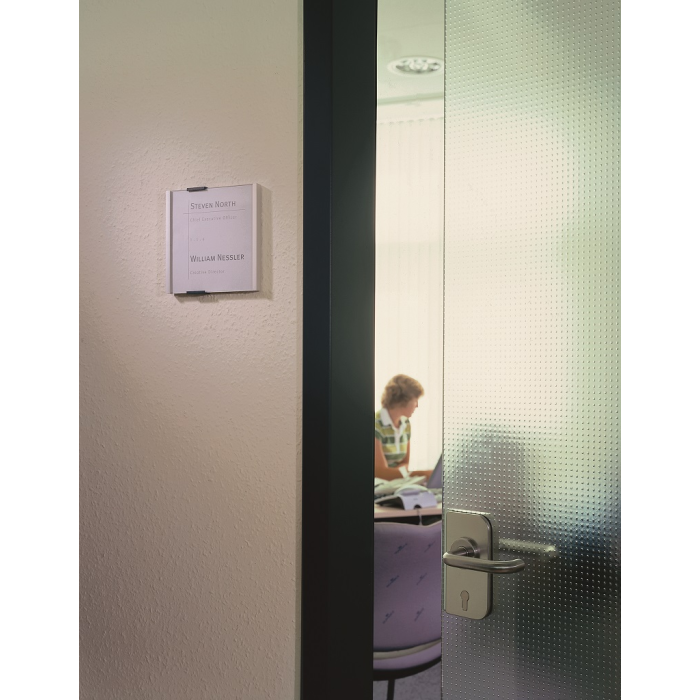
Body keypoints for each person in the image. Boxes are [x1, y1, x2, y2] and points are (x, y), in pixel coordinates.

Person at [374, 374, 433, 481]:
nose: (417, 405)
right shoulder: (375, 425)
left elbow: (405, 464)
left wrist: (393, 473)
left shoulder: (405, 423)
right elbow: (380, 474)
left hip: (396, 483)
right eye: (415, 400)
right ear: (403, 401)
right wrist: (422, 474)